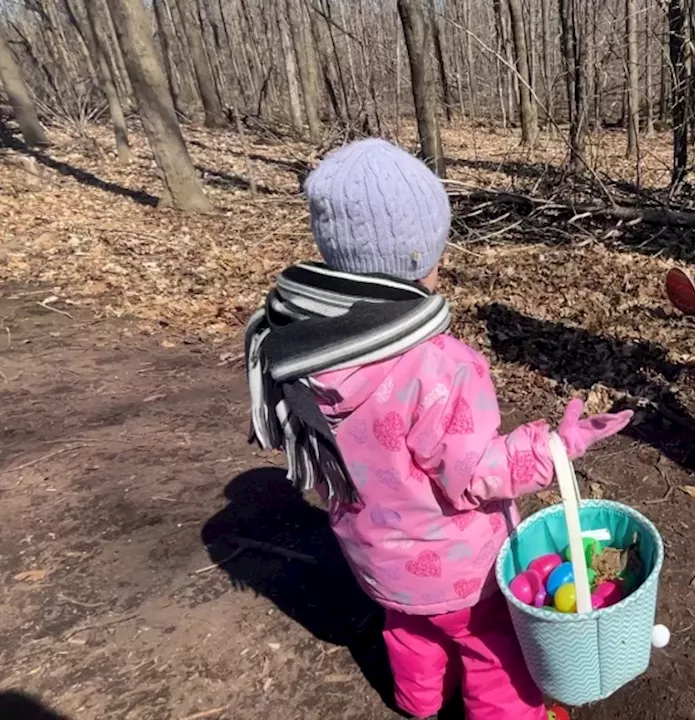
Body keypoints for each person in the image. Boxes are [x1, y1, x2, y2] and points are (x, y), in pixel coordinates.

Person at [243, 139, 632, 720]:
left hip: (375, 560)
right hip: (461, 571)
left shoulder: (294, 349)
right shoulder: (441, 365)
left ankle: (419, 703)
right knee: (491, 646)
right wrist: (555, 446)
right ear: (425, 254)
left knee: (408, 629)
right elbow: (475, 476)